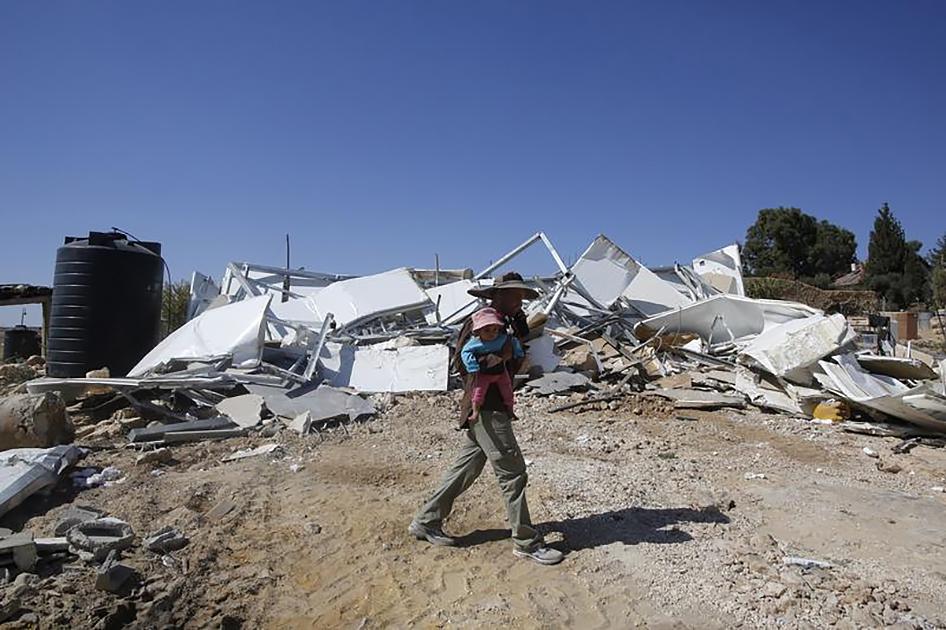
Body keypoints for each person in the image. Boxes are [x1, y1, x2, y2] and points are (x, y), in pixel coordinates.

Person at [408, 272, 564, 566]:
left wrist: (517, 340)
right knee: (513, 473)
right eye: (514, 296)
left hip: (494, 407)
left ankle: (426, 520)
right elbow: (462, 364)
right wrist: (500, 357)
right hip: (486, 408)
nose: (520, 302)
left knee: (465, 468)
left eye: (521, 296)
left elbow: (516, 359)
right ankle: (526, 542)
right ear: (498, 297)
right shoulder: (480, 323)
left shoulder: (506, 324)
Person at [460, 307, 524, 421]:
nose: (492, 333)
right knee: (478, 393)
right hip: (484, 373)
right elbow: (465, 352)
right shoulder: (474, 344)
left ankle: (510, 410)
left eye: (495, 329)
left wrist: (518, 353)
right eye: (487, 330)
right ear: (478, 331)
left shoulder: (502, 339)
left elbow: (513, 341)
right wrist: (472, 365)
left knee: (508, 391)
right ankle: (475, 412)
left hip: (500, 371)